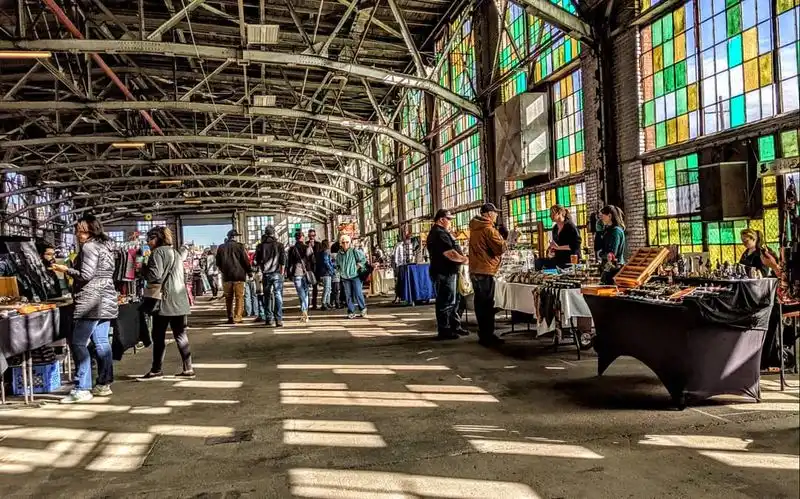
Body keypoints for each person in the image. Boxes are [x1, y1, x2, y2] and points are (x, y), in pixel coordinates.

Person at [52, 214, 118, 403]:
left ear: (88, 231)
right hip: (106, 298)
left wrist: (65, 270)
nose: (78, 235)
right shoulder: (106, 247)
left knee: (79, 343)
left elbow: (86, 275)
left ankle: (82, 387)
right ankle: (104, 384)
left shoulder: (89, 247)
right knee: (102, 343)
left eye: (80, 231)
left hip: (91, 301)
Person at [138, 227, 194, 381]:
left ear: (157, 238)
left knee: (158, 336)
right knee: (181, 335)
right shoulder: (175, 252)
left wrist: (143, 268)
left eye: (149, 239)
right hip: (179, 301)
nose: (148, 242)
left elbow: (155, 277)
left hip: (164, 302)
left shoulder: (158, 253)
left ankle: (156, 370)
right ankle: (188, 368)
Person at [468, 203, 508, 347]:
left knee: (480, 303)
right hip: (485, 270)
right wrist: (507, 239)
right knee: (487, 304)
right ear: (488, 214)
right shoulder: (488, 229)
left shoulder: (474, 227)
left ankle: (483, 333)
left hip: (475, 269)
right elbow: (499, 249)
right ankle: (488, 336)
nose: (496, 215)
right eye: (495, 213)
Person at [427, 209, 469, 340]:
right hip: (444, 272)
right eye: (448, 219)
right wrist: (465, 259)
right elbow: (449, 253)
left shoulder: (443, 232)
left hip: (449, 272)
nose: (450, 222)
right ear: (441, 219)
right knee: (446, 301)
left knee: (455, 300)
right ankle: (445, 330)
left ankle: (454, 326)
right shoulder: (439, 234)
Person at [215, 229, 251, 324]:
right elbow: (245, 261)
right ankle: (238, 317)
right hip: (239, 276)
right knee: (239, 297)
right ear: (234, 237)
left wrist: (224, 271)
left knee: (228, 297)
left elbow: (218, 263)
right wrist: (249, 272)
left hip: (227, 277)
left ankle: (230, 317)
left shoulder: (221, 247)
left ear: (228, 237)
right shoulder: (240, 247)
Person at [255, 226, 286, 327]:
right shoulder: (279, 245)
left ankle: (269, 318)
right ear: (274, 233)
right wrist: (281, 273)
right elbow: (283, 261)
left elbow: (257, 261)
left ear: (265, 233)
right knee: (278, 295)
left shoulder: (260, 246)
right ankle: (279, 319)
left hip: (266, 274)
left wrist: (262, 269)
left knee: (267, 296)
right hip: (277, 273)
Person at [536, 205, 582, 270]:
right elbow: (556, 245)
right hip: (559, 260)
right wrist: (552, 250)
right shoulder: (555, 228)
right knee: (538, 262)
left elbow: (576, 246)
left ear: (559, 213)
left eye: (552, 213)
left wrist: (558, 247)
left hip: (570, 261)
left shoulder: (571, 227)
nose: (550, 215)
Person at [336, 234, 368, 319]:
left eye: (347, 242)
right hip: (345, 278)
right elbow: (337, 264)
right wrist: (340, 271)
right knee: (348, 295)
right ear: (341, 243)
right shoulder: (339, 254)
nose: (345, 244)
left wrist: (358, 266)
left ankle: (363, 309)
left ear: (349, 243)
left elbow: (363, 259)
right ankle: (351, 311)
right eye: (343, 242)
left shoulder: (354, 251)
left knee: (358, 293)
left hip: (355, 276)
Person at [287, 232, 312, 323]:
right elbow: (312, 260)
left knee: (301, 293)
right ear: (302, 237)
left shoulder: (292, 249)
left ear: (295, 238)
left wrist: (289, 274)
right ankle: (305, 312)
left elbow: (289, 263)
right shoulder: (307, 248)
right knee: (305, 292)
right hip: (306, 272)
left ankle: (304, 311)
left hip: (296, 272)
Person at [317, 239, 336, 310]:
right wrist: (331, 269)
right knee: (327, 288)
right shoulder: (326, 252)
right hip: (326, 273)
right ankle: (324, 303)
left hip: (324, 272)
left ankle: (327, 302)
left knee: (328, 288)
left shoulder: (321, 252)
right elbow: (326, 262)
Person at [307, 229, 322, 310]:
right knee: (306, 287)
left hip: (316, 269)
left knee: (315, 287)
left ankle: (314, 304)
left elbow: (320, 256)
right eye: (310, 236)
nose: (311, 237)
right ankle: (307, 303)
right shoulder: (305, 244)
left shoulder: (318, 244)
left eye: (313, 236)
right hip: (308, 269)